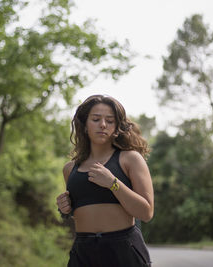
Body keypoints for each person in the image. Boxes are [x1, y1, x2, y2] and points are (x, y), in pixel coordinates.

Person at [56, 94, 154, 267]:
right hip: (83, 251)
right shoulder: (70, 169)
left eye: (109, 121)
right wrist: (66, 209)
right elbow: (82, 212)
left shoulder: (130, 159)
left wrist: (113, 183)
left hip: (123, 249)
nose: (103, 125)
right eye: (96, 119)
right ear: (85, 125)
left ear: (116, 127)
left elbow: (146, 213)